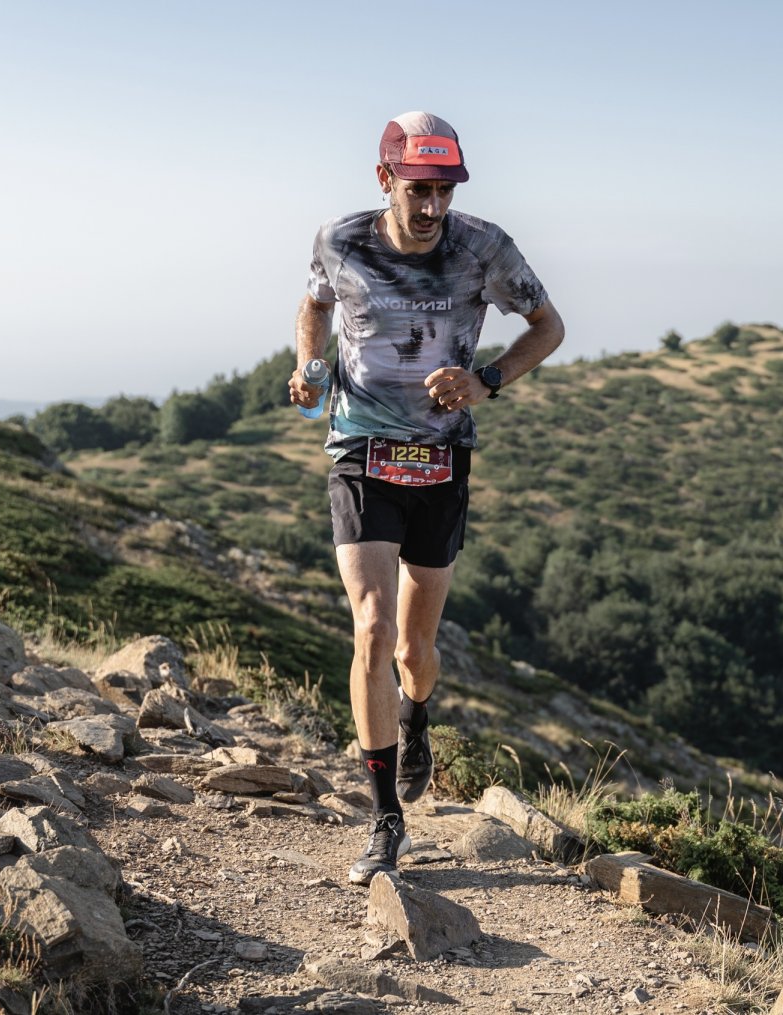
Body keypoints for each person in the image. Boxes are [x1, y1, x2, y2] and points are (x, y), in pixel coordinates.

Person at [288, 111, 564, 885]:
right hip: (360, 451)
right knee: (371, 627)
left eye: (444, 190)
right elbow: (314, 306)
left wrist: (486, 381)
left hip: (442, 458)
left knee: (415, 649)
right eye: (419, 189)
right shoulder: (340, 241)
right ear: (386, 180)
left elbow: (549, 325)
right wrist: (310, 368)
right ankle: (384, 819)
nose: (433, 205)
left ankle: (415, 714)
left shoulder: (486, 248)